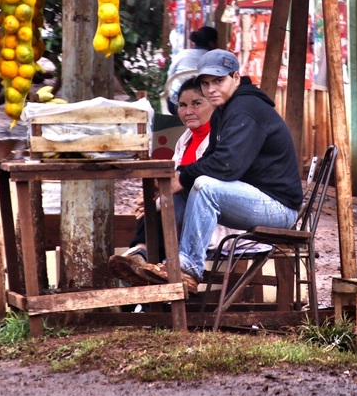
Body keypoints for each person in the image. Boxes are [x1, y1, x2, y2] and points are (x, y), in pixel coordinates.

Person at [130, 49, 303, 293]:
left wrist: (184, 176)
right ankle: (161, 263)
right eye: (206, 83)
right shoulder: (226, 108)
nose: (211, 89)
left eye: (218, 81)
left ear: (236, 77)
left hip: (278, 209)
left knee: (204, 185)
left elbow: (226, 165)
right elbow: (212, 156)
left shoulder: (246, 108)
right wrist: (174, 179)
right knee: (180, 188)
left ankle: (187, 268)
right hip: (252, 199)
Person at [108, 77, 212, 282]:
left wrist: (154, 201)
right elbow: (170, 179)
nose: (188, 110)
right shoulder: (185, 139)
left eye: (196, 103)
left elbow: (195, 181)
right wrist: (151, 199)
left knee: (162, 204)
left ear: (214, 105)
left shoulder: (219, 138)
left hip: (205, 215)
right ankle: (141, 258)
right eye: (183, 105)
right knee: (155, 203)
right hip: (178, 209)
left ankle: (140, 254)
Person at [165, 26, 217, 115]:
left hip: (175, 104)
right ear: (212, 43)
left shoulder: (182, 54)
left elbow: (170, 75)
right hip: (204, 107)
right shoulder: (215, 57)